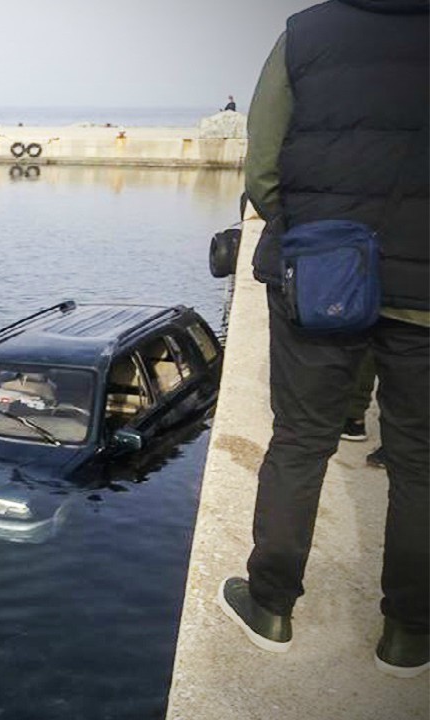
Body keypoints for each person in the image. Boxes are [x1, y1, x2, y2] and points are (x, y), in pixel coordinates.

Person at [218, 0, 428, 679]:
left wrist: (306, 235)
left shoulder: (307, 33)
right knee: (421, 462)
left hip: (323, 276)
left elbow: (264, 169)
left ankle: (272, 607)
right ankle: (409, 634)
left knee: (302, 439)